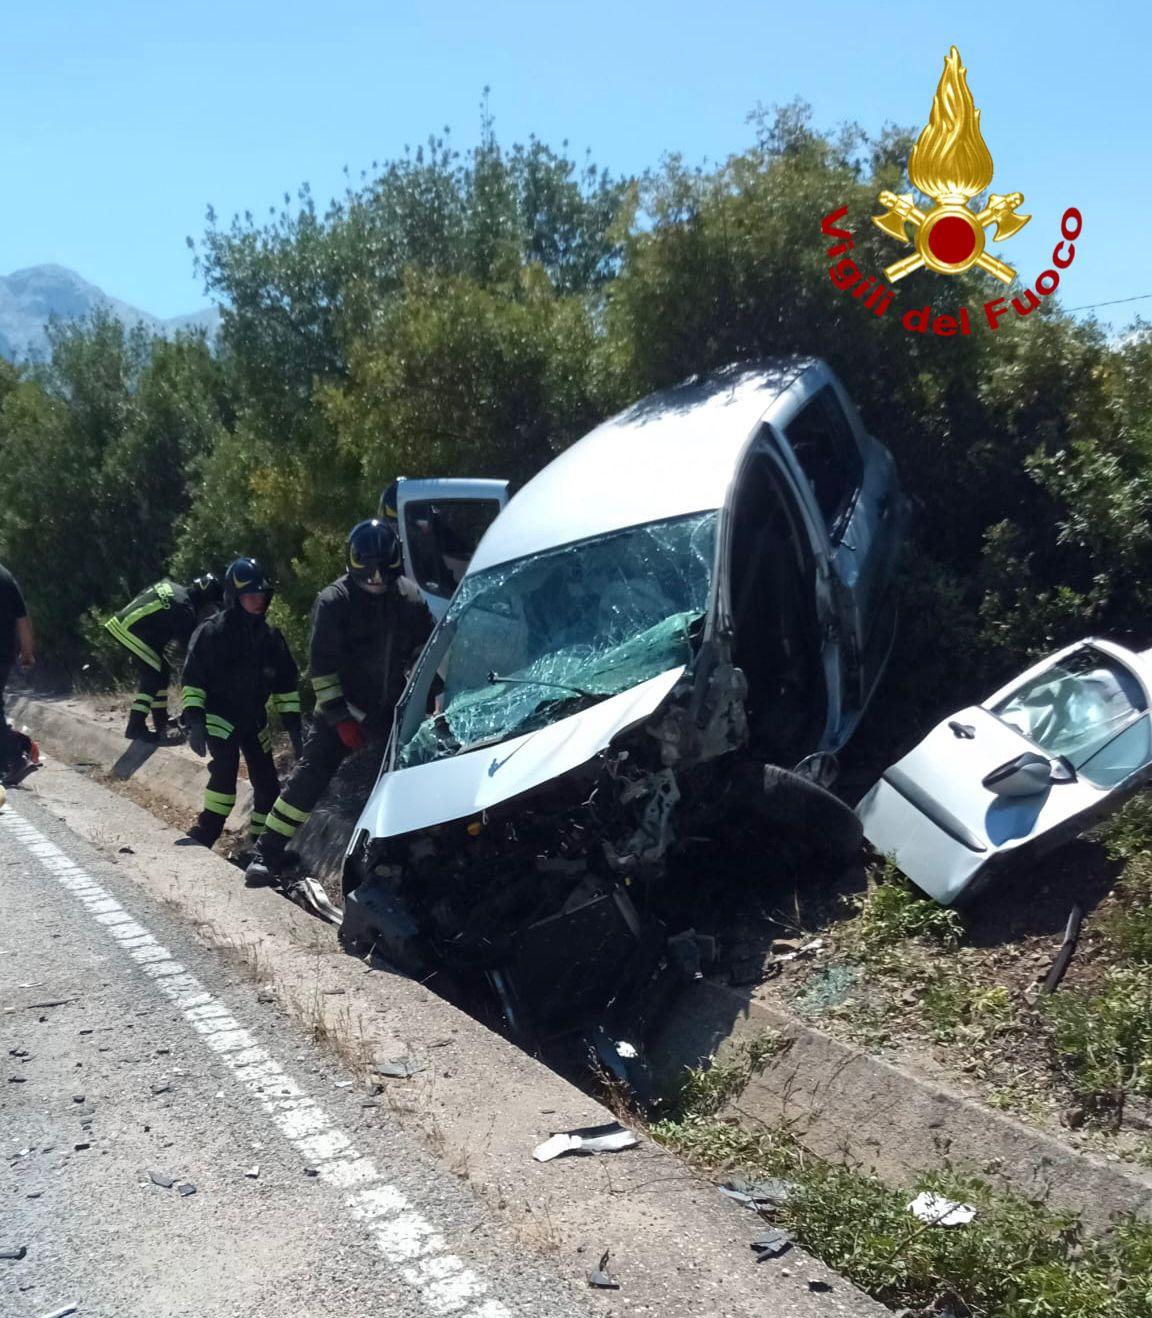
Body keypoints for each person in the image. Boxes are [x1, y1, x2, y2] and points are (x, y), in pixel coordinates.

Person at [244, 520, 433, 886]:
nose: (376, 581)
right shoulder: (335, 602)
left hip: (390, 712)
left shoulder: (408, 598)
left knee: (396, 785)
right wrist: (339, 717)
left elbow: (426, 651)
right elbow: (323, 669)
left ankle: (392, 868)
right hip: (340, 712)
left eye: (383, 574)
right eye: (370, 574)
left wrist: (431, 694)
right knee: (309, 778)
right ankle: (265, 853)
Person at [180, 558, 303, 857]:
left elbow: (286, 686)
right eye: (250, 595)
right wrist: (195, 721)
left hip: (254, 720)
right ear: (235, 598)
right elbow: (193, 680)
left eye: (261, 595)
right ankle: (206, 833)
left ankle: (259, 848)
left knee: (269, 787)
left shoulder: (271, 637)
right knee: (225, 774)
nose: (258, 601)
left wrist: (295, 730)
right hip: (219, 718)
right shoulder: (212, 632)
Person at [105, 574, 222, 740]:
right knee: (153, 676)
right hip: (130, 629)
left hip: (128, 625)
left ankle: (161, 722)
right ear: (204, 600)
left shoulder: (175, 589)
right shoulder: (184, 609)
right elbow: (191, 652)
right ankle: (135, 726)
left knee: (161, 672)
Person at [0, 561, 36, 784]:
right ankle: (8, 759)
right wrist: (27, 651)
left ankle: (16, 757)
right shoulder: (5, 576)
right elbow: (22, 619)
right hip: (5, 653)